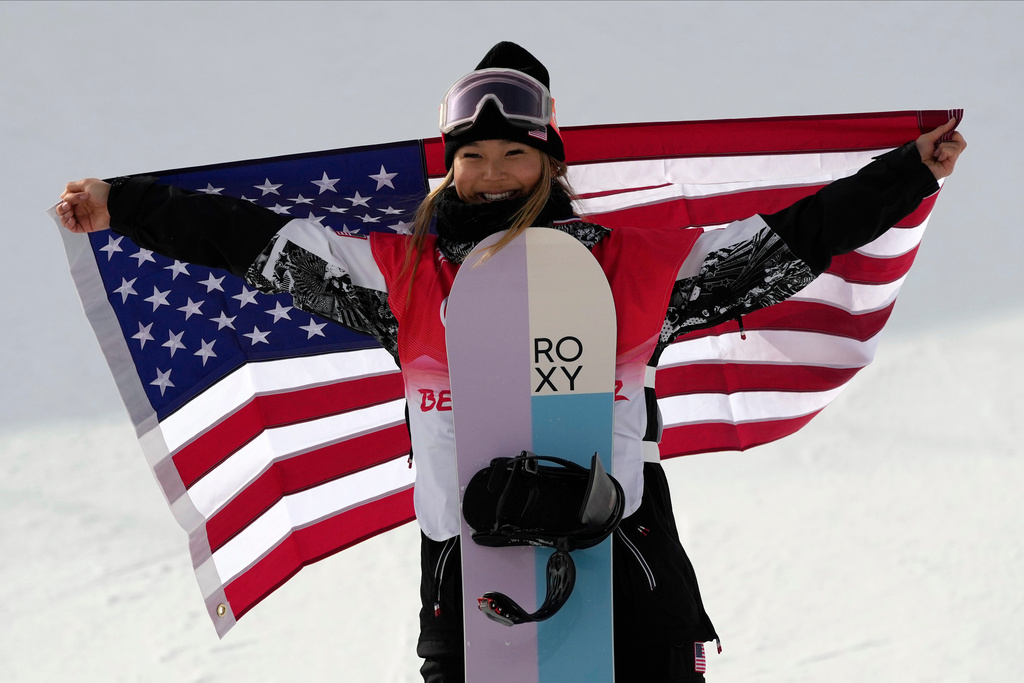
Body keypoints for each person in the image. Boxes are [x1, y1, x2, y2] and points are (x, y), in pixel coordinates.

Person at [58, 42, 965, 683]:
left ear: (548, 163)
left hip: (629, 563)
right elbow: (252, 240)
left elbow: (783, 245)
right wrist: (124, 206)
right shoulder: (398, 278)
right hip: (467, 572)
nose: (492, 173)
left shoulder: (629, 264)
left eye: (514, 155)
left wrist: (906, 174)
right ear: (449, 169)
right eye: (474, 157)